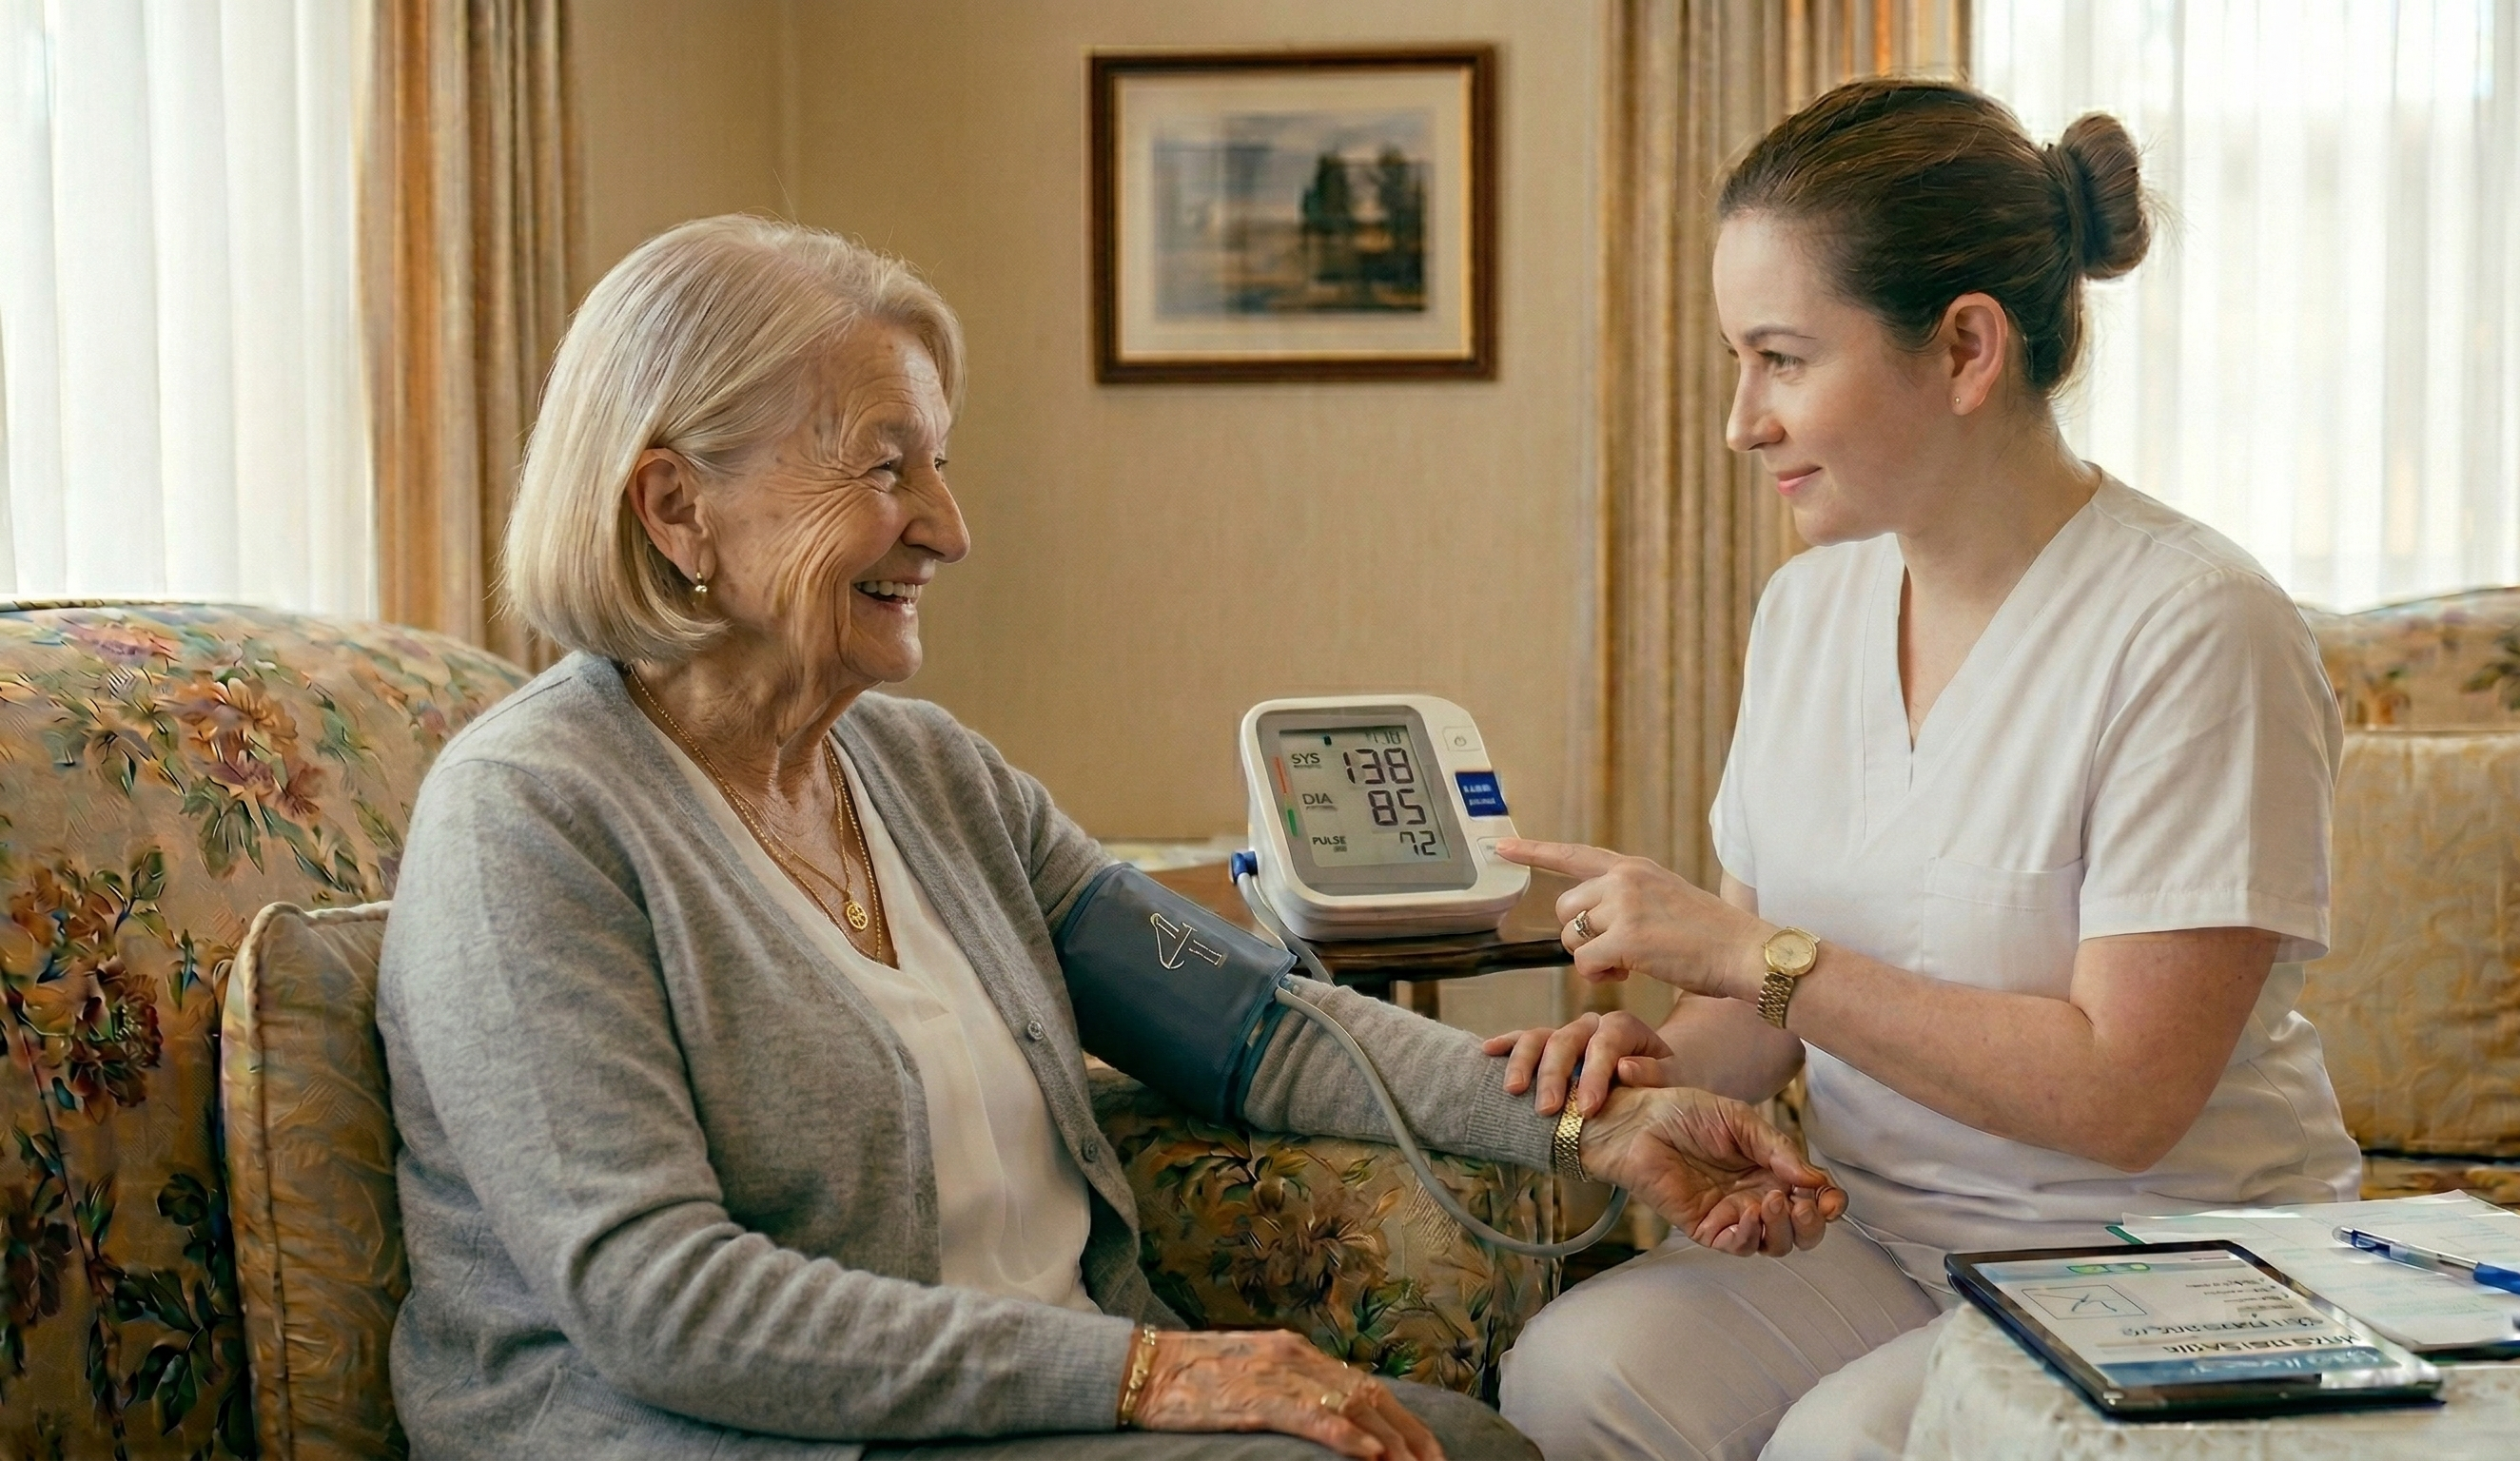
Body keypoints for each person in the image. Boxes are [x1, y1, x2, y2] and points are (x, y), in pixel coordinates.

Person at [376, 214, 1838, 1461]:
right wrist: (1157, 1376)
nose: (947, 527)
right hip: (759, 1438)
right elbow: (658, 1299)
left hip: (1031, 1408)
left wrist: (1606, 1126)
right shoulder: (532, 818)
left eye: (939, 465)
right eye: (885, 469)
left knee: (1474, 1446)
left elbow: (1260, 1032)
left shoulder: (926, 776)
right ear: (674, 505)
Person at [1488, 79, 2360, 1461]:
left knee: (1841, 1449)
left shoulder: (2199, 629)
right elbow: (1765, 1021)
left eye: (1781, 358)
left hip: (2166, 1265)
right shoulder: (1809, 613)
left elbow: (2124, 1098)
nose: (1740, 421)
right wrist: (1649, 1064)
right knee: (1571, 1373)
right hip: (1881, 1240)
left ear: (1964, 348)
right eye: (1738, 361)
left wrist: (1752, 951)